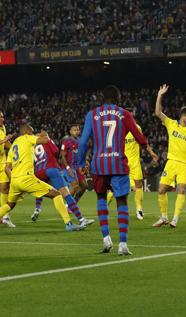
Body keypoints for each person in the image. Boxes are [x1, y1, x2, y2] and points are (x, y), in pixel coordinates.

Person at [77, 85, 155, 255]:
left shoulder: (92, 114)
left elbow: (83, 142)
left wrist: (81, 163)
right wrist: (145, 145)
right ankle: (123, 244)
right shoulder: (125, 114)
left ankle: (106, 240)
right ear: (118, 98)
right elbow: (139, 136)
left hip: (99, 164)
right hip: (118, 163)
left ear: (102, 98)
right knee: (121, 201)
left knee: (101, 198)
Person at [0, 124, 84, 232]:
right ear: (26, 132)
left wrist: (13, 180)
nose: (32, 133)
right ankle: (68, 224)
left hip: (15, 181)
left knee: (9, 204)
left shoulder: (13, 146)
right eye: (31, 131)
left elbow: (7, 168)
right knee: (56, 194)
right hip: (27, 178)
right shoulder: (28, 137)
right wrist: (44, 135)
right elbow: (45, 141)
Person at [153, 84, 186, 228]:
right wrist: (159, 95)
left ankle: (175, 219)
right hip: (171, 163)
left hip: (185, 165)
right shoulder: (171, 124)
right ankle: (163, 217)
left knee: (181, 189)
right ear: (182, 117)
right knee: (161, 190)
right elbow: (158, 112)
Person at [107, 112, 159, 220]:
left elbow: (143, 142)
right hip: (122, 162)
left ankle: (139, 210)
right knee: (119, 187)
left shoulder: (137, 128)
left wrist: (151, 153)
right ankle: (104, 207)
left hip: (135, 162)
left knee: (139, 185)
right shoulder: (117, 129)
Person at [32, 138, 94, 228]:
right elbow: (56, 151)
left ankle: (37, 209)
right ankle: (80, 219)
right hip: (51, 168)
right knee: (65, 193)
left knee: (44, 192)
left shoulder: (31, 144)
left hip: (37, 171)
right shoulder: (48, 140)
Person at [60, 124, 87, 203]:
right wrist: (68, 168)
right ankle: (68, 205)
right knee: (75, 186)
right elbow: (63, 156)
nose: (76, 131)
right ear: (70, 131)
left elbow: (81, 154)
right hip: (68, 167)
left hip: (78, 167)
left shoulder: (80, 141)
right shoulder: (66, 141)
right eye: (74, 130)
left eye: (78, 130)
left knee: (84, 185)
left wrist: (85, 163)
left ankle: (74, 202)